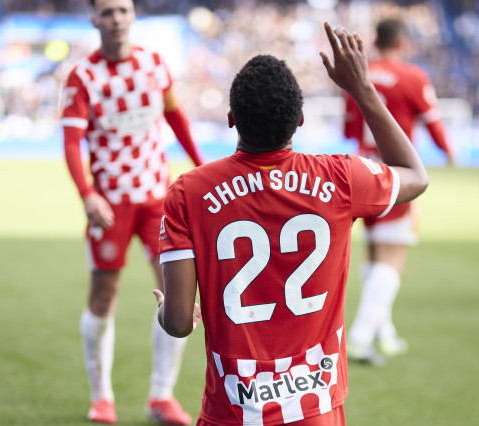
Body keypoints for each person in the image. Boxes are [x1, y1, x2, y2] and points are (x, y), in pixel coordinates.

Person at [153, 22, 429, 425]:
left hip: (232, 410)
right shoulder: (339, 179)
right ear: (300, 119)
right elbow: (414, 174)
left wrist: (167, 312)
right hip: (315, 409)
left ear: (231, 118)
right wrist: (361, 89)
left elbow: (178, 324)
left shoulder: (188, 192)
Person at [60, 0, 203, 423]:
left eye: (123, 10)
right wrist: (87, 194)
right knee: (104, 295)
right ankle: (102, 397)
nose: (116, 19)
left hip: (158, 201)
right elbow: (71, 142)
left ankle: (162, 396)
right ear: (94, 20)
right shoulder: (83, 76)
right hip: (111, 204)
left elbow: (176, 117)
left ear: (133, 16)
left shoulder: (154, 64)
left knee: (177, 294)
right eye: (107, 12)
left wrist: (200, 166)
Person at [342, 18, 454, 364]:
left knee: (375, 251)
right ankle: (360, 338)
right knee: (393, 255)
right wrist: (448, 152)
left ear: (375, 42)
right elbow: (433, 123)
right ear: (402, 41)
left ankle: (384, 333)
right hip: (396, 174)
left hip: (363, 172)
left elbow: (347, 128)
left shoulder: (359, 75)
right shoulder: (413, 77)